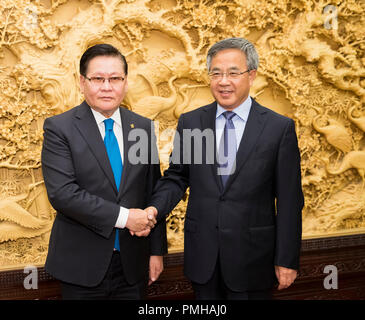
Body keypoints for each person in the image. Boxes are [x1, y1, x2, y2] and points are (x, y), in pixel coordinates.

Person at [143, 38, 304, 299]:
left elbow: (289, 200)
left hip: (253, 260)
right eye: (216, 73)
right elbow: (177, 177)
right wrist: (153, 209)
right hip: (203, 258)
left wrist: (287, 259)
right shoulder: (192, 122)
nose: (223, 81)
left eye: (233, 73)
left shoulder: (278, 128)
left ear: (251, 75)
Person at [41, 44, 167, 299]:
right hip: (81, 267)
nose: (107, 86)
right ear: (82, 82)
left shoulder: (141, 127)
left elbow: (152, 190)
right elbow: (63, 194)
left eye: (115, 78)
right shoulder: (60, 128)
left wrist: (157, 251)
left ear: (125, 83)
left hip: (133, 266)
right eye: (98, 79)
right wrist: (125, 218)